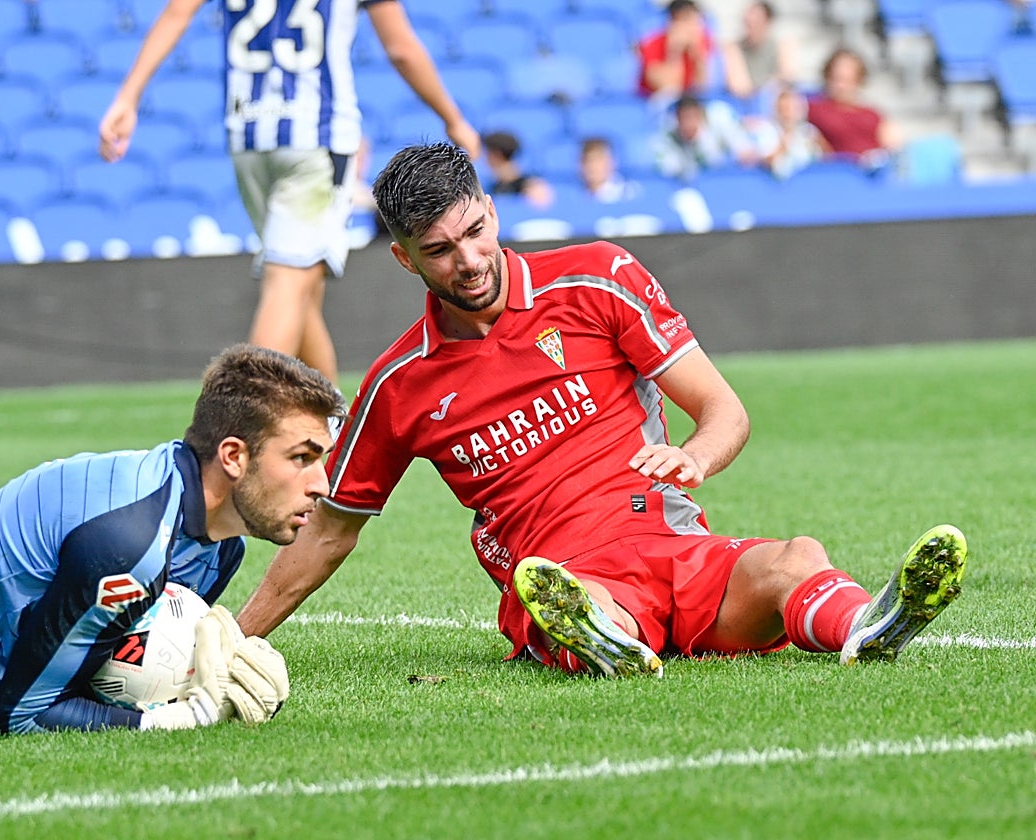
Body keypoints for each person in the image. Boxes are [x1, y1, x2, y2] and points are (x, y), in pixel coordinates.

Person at [234, 142, 968, 682]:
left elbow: (723, 410)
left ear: (491, 211)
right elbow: (329, 535)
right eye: (440, 249)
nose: (469, 259)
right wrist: (234, 642)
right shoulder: (400, 384)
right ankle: (603, 638)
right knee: (576, 600)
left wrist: (696, 456)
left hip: (671, 544)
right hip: (564, 573)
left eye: (475, 231)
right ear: (405, 260)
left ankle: (868, 629)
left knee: (796, 558)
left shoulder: (597, 280)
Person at [0, 345, 346, 740]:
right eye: (302, 457)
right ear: (233, 456)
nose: (321, 484)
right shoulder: (127, 542)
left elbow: (109, 668)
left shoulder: (218, 547)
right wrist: (187, 718)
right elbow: (25, 715)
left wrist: (215, 672)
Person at [98, 0, 481, 384]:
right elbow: (400, 48)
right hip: (315, 140)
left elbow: (176, 13)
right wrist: (453, 118)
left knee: (302, 291)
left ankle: (331, 432)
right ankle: (246, 416)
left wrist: (128, 97)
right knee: (289, 283)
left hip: (249, 139)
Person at [806, 47, 903, 170]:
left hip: (873, 173)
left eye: (848, 80)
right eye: (837, 79)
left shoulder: (872, 114)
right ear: (827, 77)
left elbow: (893, 144)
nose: (841, 86)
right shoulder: (814, 109)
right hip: (838, 173)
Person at [652, 94, 757, 180]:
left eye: (691, 117)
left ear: (700, 115)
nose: (688, 123)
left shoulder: (719, 119)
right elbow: (668, 168)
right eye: (684, 118)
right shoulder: (668, 134)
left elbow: (744, 152)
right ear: (677, 119)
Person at [722, 1, 797, 105]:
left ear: (768, 22)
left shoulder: (782, 45)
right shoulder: (734, 48)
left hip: (772, 103)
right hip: (744, 105)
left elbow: (786, 79)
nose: (750, 26)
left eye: (756, 22)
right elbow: (740, 88)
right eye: (747, 22)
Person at [636, 0, 713, 100]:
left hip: (692, 102)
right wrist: (674, 51)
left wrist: (696, 54)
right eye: (684, 20)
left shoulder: (702, 41)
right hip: (658, 102)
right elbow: (669, 88)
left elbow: (703, 87)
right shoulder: (652, 44)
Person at [750, 85, 829, 179]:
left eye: (795, 108)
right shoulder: (766, 130)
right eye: (785, 109)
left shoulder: (809, 131)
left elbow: (828, 159)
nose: (789, 114)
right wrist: (784, 144)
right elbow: (765, 163)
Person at [481, 131, 555, 209]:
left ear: (496, 155)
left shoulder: (532, 185)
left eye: (486, 153)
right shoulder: (491, 187)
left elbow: (543, 210)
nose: (484, 159)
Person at [578, 136, 638, 204]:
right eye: (587, 160)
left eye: (598, 159)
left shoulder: (630, 194)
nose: (592, 166)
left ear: (613, 161)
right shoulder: (575, 196)